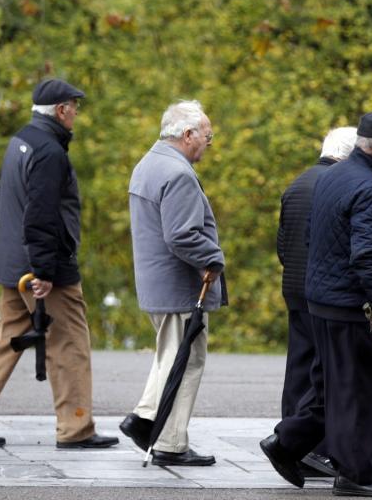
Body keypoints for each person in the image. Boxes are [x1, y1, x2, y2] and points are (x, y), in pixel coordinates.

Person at [0, 78, 119, 449]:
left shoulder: (20, 141)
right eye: (74, 106)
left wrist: (19, 256)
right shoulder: (50, 153)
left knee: (6, 340)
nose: (76, 113)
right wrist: (44, 270)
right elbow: (41, 215)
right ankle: (76, 428)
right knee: (69, 343)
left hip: (13, 262)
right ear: (60, 110)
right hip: (43, 269)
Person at [260, 111, 372, 498]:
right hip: (347, 307)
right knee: (362, 390)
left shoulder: (331, 178)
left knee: (329, 388)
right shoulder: (369, 190)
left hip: (319, 303)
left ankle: (286, 444)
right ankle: (356, 475)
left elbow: (311, 238)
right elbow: (366, 256)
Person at [119, 100, 226, 467]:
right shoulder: (177, 173)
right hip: (179, 286)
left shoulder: (148, 164)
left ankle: (146, 419)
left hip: (156, 283)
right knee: (187, 360)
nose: (208, 143)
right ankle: (169, 440)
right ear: (188, 134)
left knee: (170, 356)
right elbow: (181, 235)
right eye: (207, 136)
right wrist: (213, 258)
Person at [276, 126, 358, 479]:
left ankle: (291, 444)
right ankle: (310, 449)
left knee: (298, 369)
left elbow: (282, 242)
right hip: (322, 294)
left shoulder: (297, 183)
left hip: (294, 287)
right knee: (324, 373)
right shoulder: (336, 186)